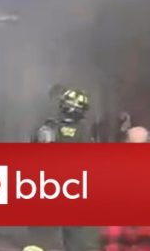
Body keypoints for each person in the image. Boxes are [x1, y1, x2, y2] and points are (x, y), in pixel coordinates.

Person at [24, 88, 97, 251]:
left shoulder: (47, 128)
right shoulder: (85, 132)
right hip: (73, 187)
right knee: (73, 234)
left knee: (40, 233)